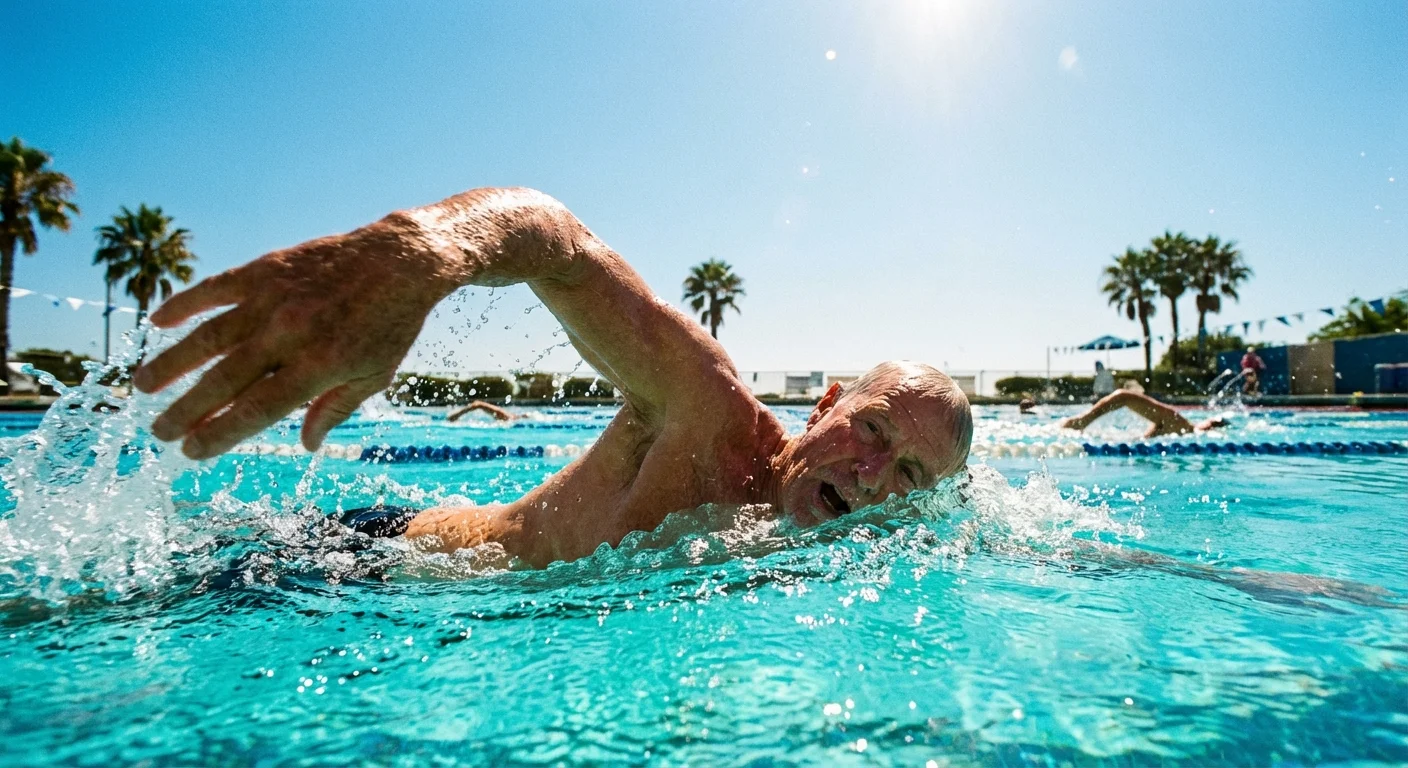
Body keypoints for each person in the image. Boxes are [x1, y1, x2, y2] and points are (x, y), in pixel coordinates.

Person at [132, 187, 974, 568]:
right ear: (828, 403)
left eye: (908, 471)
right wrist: (415, 255)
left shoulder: (861, 548)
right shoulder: (703, 407)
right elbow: (553, 239)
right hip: (366, 560)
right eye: (872, 430)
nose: (871, 476)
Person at [1060, 390, 1227, 438]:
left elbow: (1123, 396)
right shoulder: (1178, 423)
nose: (1208, 423)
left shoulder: (1179, 425)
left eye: (1213, 423)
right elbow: (1123, 397)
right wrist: (1084, 420)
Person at [447, 400, 514, 422]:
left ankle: (455, 416)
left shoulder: (509, 418)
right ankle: (454, 416)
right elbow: (478, 404)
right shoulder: (508, 417)